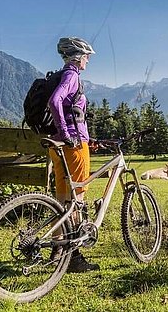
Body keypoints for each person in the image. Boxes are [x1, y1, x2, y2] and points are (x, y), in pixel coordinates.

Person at [48, 36, 99, 273]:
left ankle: (58, 251)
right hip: (73, 145)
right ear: (78, 57)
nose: (88, 60)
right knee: (77, 198)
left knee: (62, 199)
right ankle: (74, 257)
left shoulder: (62, 74)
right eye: (87, 56)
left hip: (58, 146)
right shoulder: (72, 75)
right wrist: (67, 132)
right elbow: (55, 100)